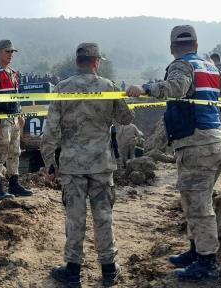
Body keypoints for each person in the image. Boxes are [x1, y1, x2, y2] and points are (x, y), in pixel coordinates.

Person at [127, 25, 221, 281]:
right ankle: (196, 251)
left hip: (197, 142)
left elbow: (176, 87)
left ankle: (207, 263)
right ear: (196, 45)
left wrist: (146, 89)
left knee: (199, 204)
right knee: (193, 200)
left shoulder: (182, 66)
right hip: (214, 140)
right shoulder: (210, 66)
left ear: (173, 48)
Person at [42, 42, 134, 287]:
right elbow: (126, 118)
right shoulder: (108, 87)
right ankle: (109, 271)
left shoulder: (62, 89)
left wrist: (50, 163)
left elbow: (50, 130)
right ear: (96, 62)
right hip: (102, 164)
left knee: (74, 218)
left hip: (72, 165)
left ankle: (72, 272)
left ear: (77, 62)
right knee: (103, 216)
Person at [0, 40, 32, 199]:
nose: (10, 55)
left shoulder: (12, 72)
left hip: (14, 119)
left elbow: (15, 96)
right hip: (1, 119)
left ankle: (14, 184)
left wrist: (20, 114)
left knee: (15, 152)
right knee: (0, 152)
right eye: (7, 52)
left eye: (12, 52)